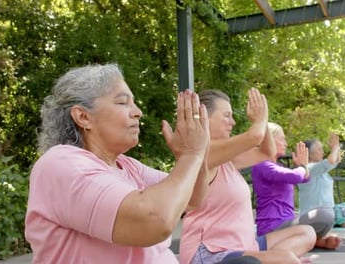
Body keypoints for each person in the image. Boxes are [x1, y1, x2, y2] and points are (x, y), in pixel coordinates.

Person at [25, 63, 213, 263]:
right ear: (83, 117)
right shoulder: (60, 164)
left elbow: (193, 198)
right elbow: (154, 221)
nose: (137, 112)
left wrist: (196, 153)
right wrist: (191, 154)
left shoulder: (126, 165)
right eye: (123, 103)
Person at [179, 89, 315, 264]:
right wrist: (260, 117)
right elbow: (254, 136)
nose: (233, 122)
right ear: (204, 116)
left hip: (243, 246)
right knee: (285, 258)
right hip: (210, 253)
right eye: (227, 116)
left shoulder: (228, 157)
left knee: (306, 233)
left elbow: (268, 151)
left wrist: (262, 122)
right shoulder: (202, 152)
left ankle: (276, 260)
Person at [251, 122, 341, 249]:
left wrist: (301, 168)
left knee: (327, 218)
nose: (286, 144)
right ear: (268, 140)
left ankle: (312, 241)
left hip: (286, 225)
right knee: (324, 215)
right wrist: (302, 167)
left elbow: (303, 178)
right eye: (282, 139)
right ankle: (285, 248)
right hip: (272, 229)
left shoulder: (277, 166)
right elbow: (296, 176)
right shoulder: (262, 166)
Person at [298, 133, 345, 228]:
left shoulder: (320, 170)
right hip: (314, 214)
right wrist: (335, 148)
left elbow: (336, 161)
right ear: (310, 155)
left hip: (326, 212)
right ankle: (341, 221)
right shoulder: (308, 169)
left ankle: (339, 221)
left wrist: (337, 147)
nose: (323, 152)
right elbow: (330, 161)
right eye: (319, 149)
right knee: (340, 210)